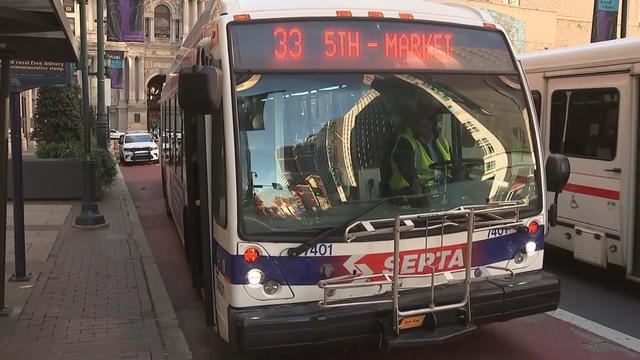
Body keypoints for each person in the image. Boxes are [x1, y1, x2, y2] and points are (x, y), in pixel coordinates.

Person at [389, 110, 451, 195]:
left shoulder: (442, 141)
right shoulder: (405, 142)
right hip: (407, 194)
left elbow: (453, 165)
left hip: (441, 191)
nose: (420, 128)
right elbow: (406, 168)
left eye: (426, 125)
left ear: (432, 124)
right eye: (418, 124)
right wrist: (414, 182)